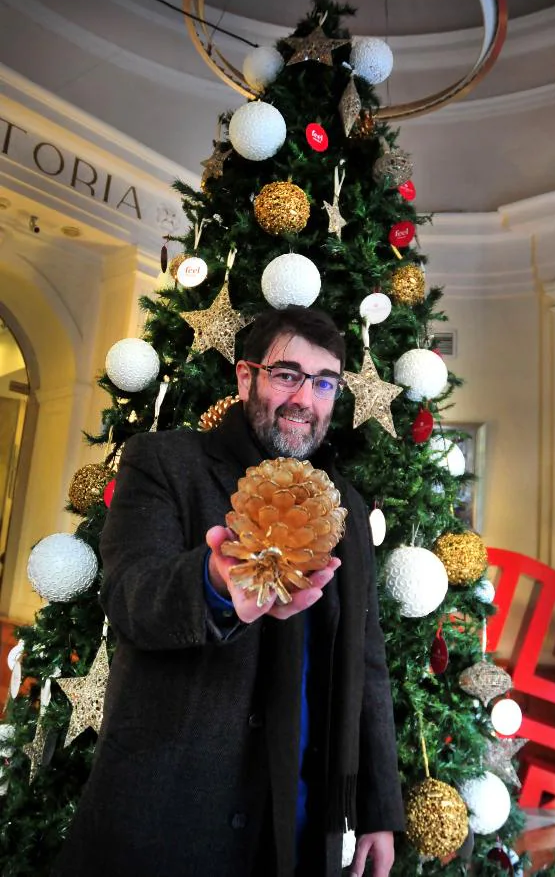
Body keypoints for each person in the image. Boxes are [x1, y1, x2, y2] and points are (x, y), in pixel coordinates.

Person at [53, 306, 405, 877]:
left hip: (296, 817)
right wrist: (215, 583)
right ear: (246, 378)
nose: (304, 399)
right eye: (286, 374)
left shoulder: (350, 510)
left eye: (323, 383)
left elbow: (368, 662)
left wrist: (376, 809)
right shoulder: (164, 461)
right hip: (169, 815)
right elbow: (130, 597)